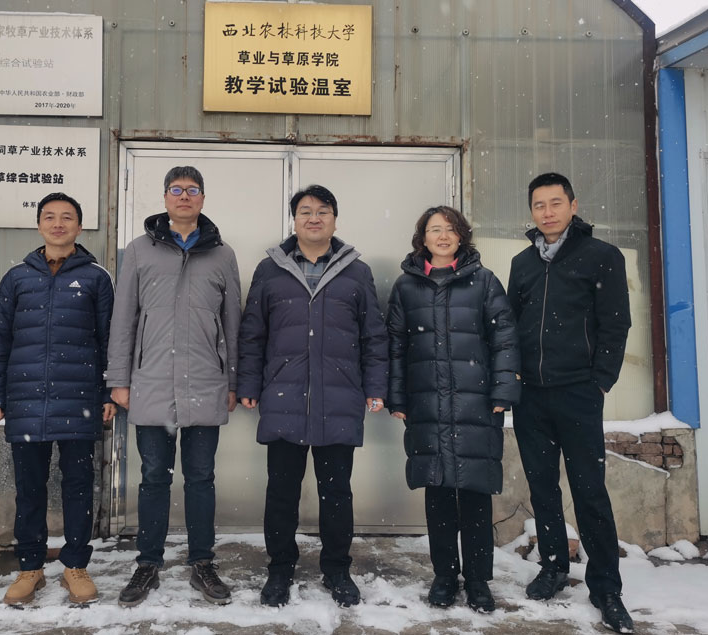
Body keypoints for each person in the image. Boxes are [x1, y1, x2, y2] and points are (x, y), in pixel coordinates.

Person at [238, 184, 388, 608]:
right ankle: (280, 569)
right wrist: (247, 384)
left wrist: (376, 387)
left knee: (336, 493)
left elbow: (374, 336)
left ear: (335, 220)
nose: (314, 218)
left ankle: (337, 569)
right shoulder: (270, 269)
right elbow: (253, 333)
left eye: (323, 211)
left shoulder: (356, 272)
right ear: (295, 220)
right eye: (305, 211)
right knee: (281, 492)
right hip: (284, 396)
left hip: (338, 398)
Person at [106, 166, 241, 607]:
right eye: (176, 189)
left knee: (201, 477)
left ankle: (203, 562)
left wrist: (233, 380)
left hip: (205, 381)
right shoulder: (139, 250)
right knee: (153, 477)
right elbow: (124, 319)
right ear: (165, 197)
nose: (184, 196)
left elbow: (232, 324)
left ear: (202, 198)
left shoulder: (222, 254)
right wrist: (119, 379)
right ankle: (148, 563)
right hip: (151, 381)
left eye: (192, 189)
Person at [507, 173, 634, 633]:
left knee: (589, 491)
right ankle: (555, 566)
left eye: (555, 203)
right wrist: (512, 379)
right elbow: (511, 325)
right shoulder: (523, 263)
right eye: (539, 205)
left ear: (573, 205)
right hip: (531, 396)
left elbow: (616, 323)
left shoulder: (601, 256)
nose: (547, 212)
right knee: (543, 488)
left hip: (579, 393)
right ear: (532, 211)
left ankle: (606, 587)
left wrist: (600, 382)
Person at [0, 192, 116, 606]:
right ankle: (31, 567)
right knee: (29, 488)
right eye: (50, 217)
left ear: (79, 226)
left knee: (79, 485)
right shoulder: (16, 278)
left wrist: (108, 392)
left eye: (67, 217)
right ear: (39, 224)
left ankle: (75, 565)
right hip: (25, 400)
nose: (58, 224)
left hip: (78, 398)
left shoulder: (96, 277)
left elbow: (110, 340)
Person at [386, 206, 520, 613]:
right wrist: (397, 397)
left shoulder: (484, 281)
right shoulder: (406, 286)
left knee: (475, 494)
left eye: (449, 229)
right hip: (427, 403)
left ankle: (478, 580)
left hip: (475, 402)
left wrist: (502, 391)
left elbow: (505, 339)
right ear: (422, 238)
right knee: (439, 493)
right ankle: (444, 576)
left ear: (461, 236)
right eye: (434, 230)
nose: (442, 236)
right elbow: (395, 346)